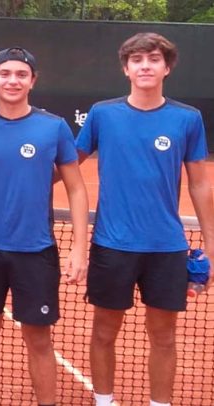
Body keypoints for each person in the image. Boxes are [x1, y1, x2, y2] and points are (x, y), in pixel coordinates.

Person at [77, 32, 213, 406]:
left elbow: (200, 184)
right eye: (137, 60)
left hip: (166, 248)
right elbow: (69, 167)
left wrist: (211, 245)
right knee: (104, 332)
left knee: (164, 337)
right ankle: (103, 401)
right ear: (126, 68)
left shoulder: (187, 119)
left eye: (154, 59)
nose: (145, 66)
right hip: (112, 245)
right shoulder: (103, 113)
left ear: (167, 68)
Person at [0, 47, 88, 406]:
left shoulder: (54, 127)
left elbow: (76, 188)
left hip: (36, 252)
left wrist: (79, 248)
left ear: (33, 80)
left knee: (39, 339)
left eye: (21, 74)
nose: (13, 81)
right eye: (5, 74)